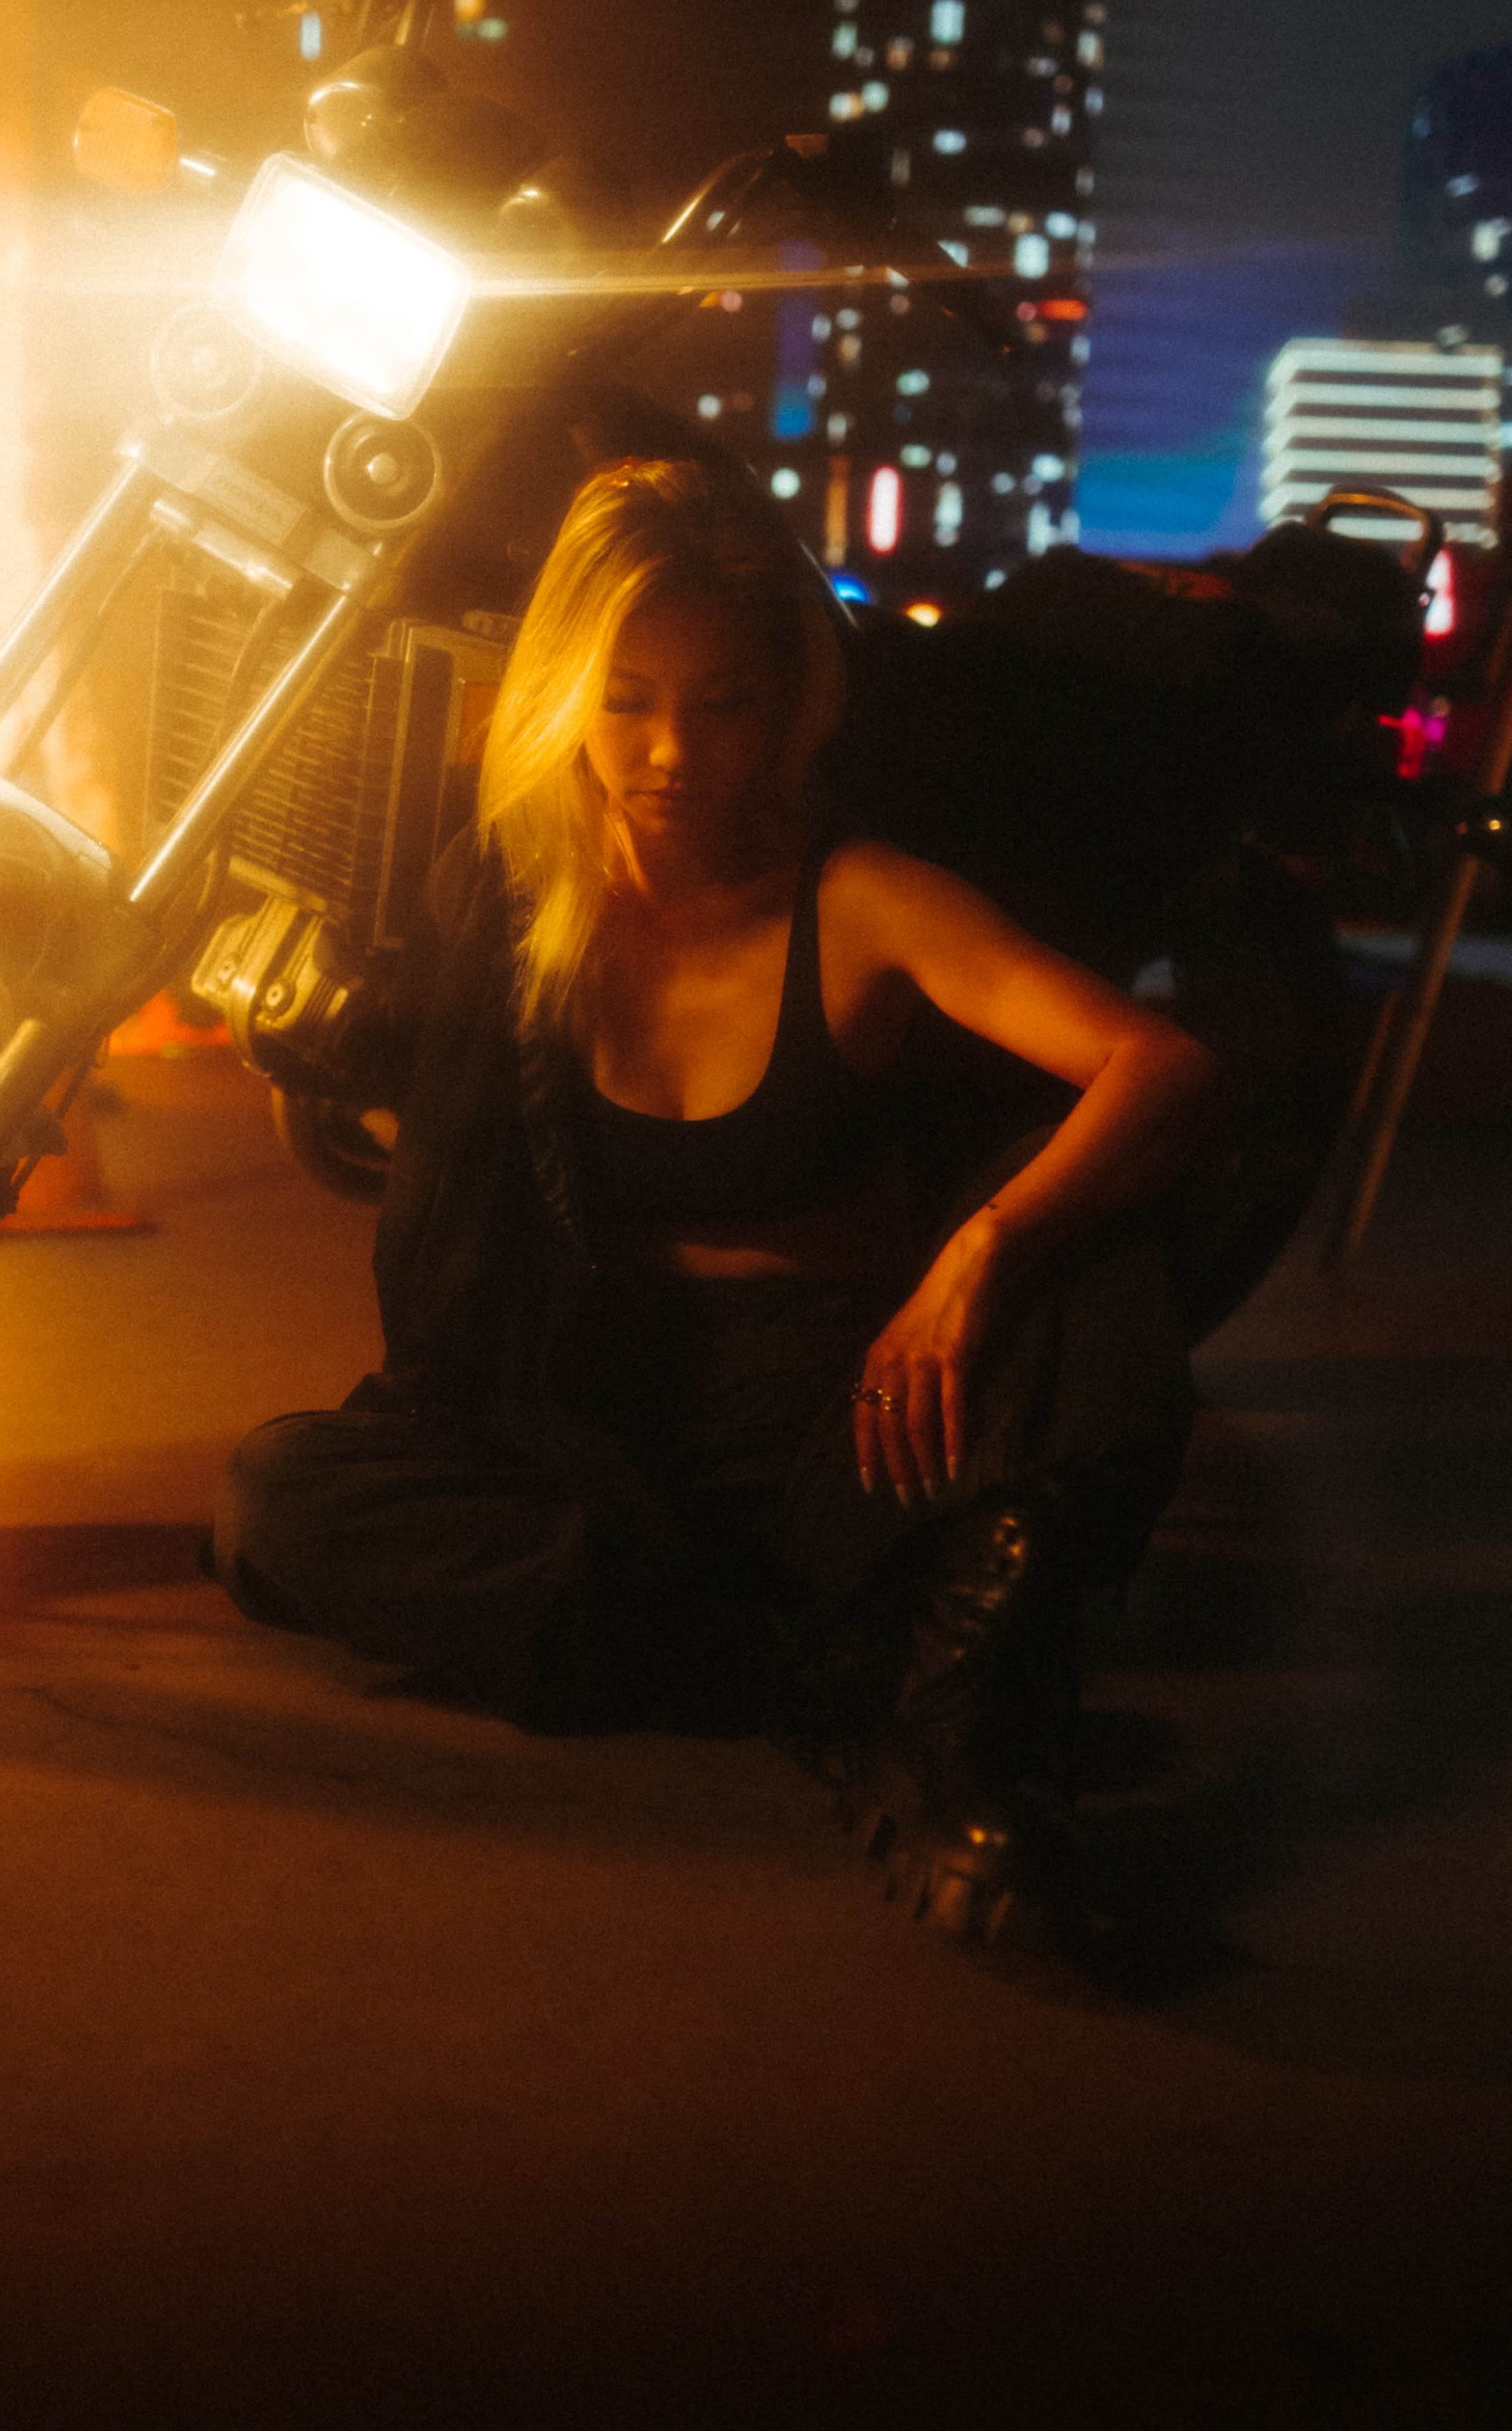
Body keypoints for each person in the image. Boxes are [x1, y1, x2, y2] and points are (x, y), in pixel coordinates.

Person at [215, 459, 1224, 1948]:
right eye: (626, 701)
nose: (671, 752)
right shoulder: (509, 899)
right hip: (604, 1417)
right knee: (277, 1495)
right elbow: (460, 1169)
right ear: (568, 693)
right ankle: (820, 1658)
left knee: (1093, 1279)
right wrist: (327, 1050)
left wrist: (977, 1254)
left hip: (850, 1407)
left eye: (722, 704)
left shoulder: (864, 900)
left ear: (790, 706)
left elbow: (1160, 1066)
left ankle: (890, 1692)